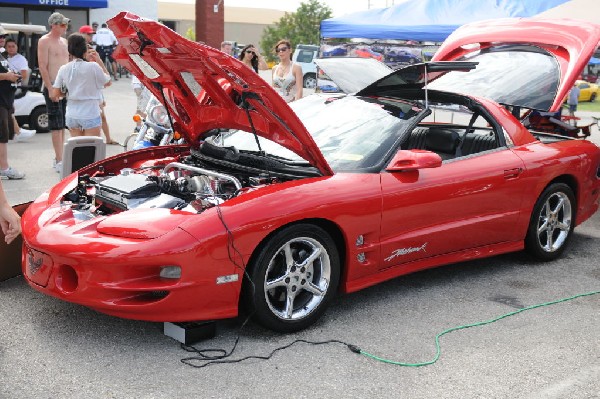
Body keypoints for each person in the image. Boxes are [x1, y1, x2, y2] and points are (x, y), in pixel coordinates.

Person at [51, 33, 111, 138]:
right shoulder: (93, 66)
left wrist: (72, 93)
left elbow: (55, 93)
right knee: (91, 149)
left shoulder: (64, 68)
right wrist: (99, 60)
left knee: (77, 148)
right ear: (85, 49)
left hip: (72, 113)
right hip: (90, 112)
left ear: (69, 50)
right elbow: (107, 82)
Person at [38, 12, 70, 173]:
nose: (65, 27)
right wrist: (50, 88)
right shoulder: (44, 41)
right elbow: (42, 66)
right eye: (62, 25)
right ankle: (58, 159)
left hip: (65, 88)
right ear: (54, 25)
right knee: (56, 126)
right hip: (53, 86)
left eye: (65, 25)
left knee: (62, 124)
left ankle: (61, 156)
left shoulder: (64, 41)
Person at [79, 25, 118, 145]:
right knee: (92, 117)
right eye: (88, 34)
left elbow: (102, 76)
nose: (91, 37)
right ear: (82, 34)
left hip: (95, 89)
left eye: (91, 34)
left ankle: (108, 138)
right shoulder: (78, 51)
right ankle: (92, 140)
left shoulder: (91, 49)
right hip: (86, 90)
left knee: (102, 116)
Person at [0, 27, 25, 180]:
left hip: (6, 100)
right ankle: (4, 168)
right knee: (2, 136)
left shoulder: (2, 54)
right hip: (0, 102)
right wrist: (7, 76)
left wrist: (14, 77)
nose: (2, 38)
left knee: (5, 136)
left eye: (3, 36)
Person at [4, 38, 36, 142]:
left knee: (7, 107)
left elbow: (23, 74)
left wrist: (11, 78)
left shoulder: (20, 59)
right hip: (4, 85)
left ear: (17, 47)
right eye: (9, 46)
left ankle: (17, 132)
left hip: (14, 85)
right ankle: (17, 131)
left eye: (13, 46)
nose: (11, 48)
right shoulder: (4, 57)